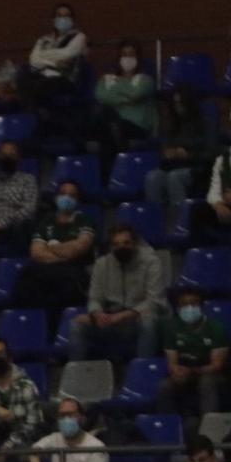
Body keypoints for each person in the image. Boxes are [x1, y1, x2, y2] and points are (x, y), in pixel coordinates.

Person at [68, 224, 165, 364]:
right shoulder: (102, 264)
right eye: (116, 244)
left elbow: (154, 301)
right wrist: (97, 314)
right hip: (111, 320)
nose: (121, 247)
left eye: (126, 243)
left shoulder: (152, 262)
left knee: (148, 323)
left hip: (138, 319)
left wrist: (120, 317)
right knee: (76, 324)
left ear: (135, 244)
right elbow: (95, 298)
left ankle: (142, 374)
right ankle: (76, 377)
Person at [13, 181, 95, 313]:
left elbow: (79, 248)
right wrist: (66, 251)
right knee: (27, 276)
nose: (66, 198)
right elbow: (36, 252)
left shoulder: (84, 220)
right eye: (63, 194)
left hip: (73, 271)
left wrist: (50, 246)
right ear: (56, 198)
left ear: (78, 201)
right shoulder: (46, 221)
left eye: (72, 195)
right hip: (48, 269)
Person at [160, 288, 229, 424]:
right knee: (165, 386)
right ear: (178, 308)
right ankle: (168, 428)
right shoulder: (172, 329)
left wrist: (192, 371)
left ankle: (210, 429)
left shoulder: (215, 328)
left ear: (201, 307)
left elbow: (217, 365)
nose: (189, 308)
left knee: (207, 382)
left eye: (193, 304)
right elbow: (172, 363)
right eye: (184, 304)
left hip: (212, 375)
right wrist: (177, 371)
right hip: (185, 372)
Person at [146, 87, 216, 210]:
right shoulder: (174, 125)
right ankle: (155, 216)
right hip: (174, 164)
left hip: (197, 168)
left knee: (174, 177)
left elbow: (211, 153)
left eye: (180, 103)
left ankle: (180, 218)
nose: (178, 107)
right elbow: (165, 148)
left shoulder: (206, 124)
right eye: (175, 103)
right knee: (153, 177)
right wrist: (168, 153)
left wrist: (189, 155)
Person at [20, 2, 89, 125]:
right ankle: (36, 113)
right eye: (59, 15)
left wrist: (45, 55)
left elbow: (68, 54)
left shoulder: (79, 37)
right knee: (22, 77)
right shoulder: (44, 39)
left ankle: (38, 115)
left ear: (72, 19)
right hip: (43, 76)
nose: (63, 19)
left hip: (65, 79)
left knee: (44, 85)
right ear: (54, 19)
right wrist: (55, 61)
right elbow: (33, 60)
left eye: (66, 16)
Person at [93, 42, 157, 170]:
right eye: (124, 54)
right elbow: (100, 96)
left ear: (138, 57)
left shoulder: (145, 79)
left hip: (137, 127)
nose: (127, 58)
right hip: (112, 127)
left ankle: (109, 176)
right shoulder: (107, 78)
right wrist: (125, 98)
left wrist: (115, 87)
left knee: (111, 124)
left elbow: (136, 94)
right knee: (107, 123)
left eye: (131, 54)